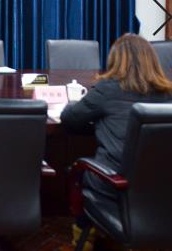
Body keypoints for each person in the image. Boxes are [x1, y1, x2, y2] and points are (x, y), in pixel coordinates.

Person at [61, 34, 172, 251]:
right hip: (160, 188)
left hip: (115, 185)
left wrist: (74, 103)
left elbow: (70, 119)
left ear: (115, 60)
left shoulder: (107, 89)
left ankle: (84, 238)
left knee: (80, 170)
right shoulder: (167, 93)